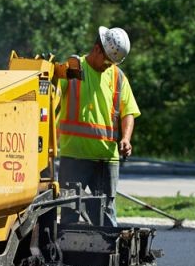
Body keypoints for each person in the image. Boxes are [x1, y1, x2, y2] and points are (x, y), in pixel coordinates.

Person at [57, 26, 140, 227]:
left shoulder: (118, 77)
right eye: (107, 61)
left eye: (112, 63)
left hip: (106, 158)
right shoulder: (72, 69)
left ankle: (106, 254)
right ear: (96, 49)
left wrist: (126, 139)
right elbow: (53, 96)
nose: (108, 66)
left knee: (106, 213)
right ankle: (65, 256)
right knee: (69, 210)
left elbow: (128, 111)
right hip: (74, 156)